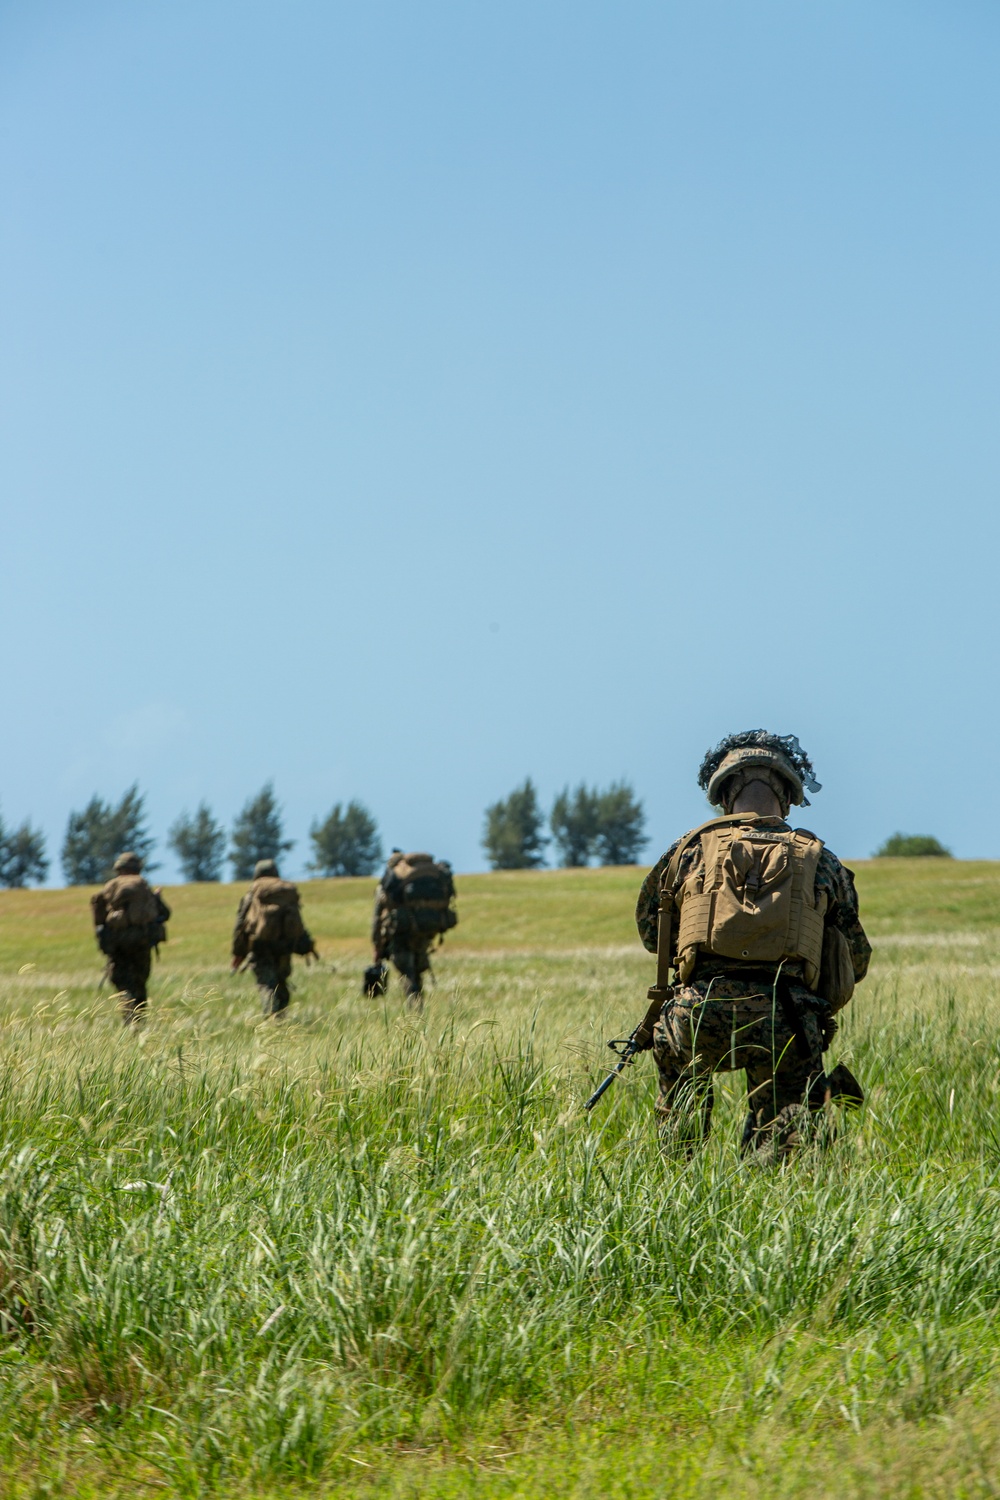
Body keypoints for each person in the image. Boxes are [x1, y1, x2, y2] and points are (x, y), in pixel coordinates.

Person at [634, 731, 870, 1160]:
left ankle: (677, 1182)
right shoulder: (821, 860)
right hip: (789, 1019)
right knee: (782, 1148)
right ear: (787, 795)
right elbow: (855, 957)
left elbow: (654, 935)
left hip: (696, 1013)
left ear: (725, 794)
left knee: (679, 1122)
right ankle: (769, 1190)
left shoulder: (687, 851)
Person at [367, 850, 457, 1008]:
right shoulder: (421, 878)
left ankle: (415, 1009)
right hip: (424, 931)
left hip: (400, 933)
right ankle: (418, 1008)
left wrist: (377, 946)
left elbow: (377, 918)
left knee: (407, 973)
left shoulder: (390, 882)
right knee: (416, 971)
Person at [90, 851, 171, 1024]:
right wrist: (157, 898)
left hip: (117, 943)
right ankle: (139, 1021)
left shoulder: (110, 886)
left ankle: (128, 1015)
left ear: (119, 868)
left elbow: (99, 917)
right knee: (140, 981)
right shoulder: (142, 885)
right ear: (137, 869)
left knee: (122, 982)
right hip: (141, 942)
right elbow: (164, 913)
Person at [231, 859, 316, 1016]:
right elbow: (297, 921)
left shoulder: (253, 893)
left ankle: (272, 1019)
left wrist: (238, 953)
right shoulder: (285, 892)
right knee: (281, 983)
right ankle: (281, 1022)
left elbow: (241, 925)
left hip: (259, 947)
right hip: (284, 946)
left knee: (266, 986)